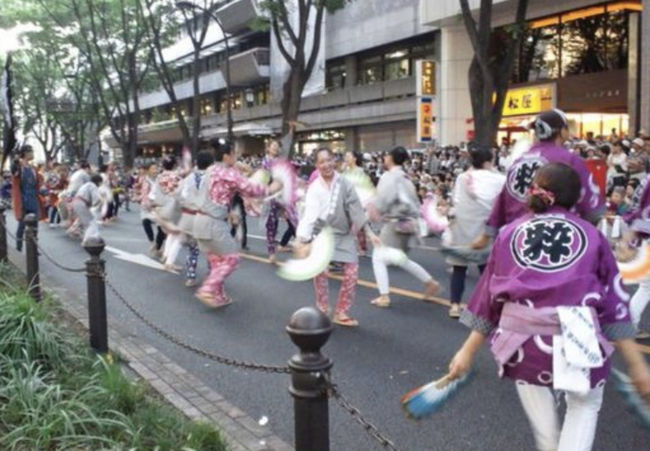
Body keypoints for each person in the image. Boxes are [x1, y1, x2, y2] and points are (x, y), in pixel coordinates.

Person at [448, 163, 650, 451]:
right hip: (578, 335)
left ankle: (548, 442)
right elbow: (613, 301)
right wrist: (637, 365)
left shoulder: (509, 233)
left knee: (546, 429)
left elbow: (488, 298)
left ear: (534, 192)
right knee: (584, 404)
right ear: (575, 199)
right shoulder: (592, 235)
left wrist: (466, 352)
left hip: (524, 342)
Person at [473, 109, 605, 249]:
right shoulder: (569, 159)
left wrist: (488, 233)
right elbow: (592, 207)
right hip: (558, 239)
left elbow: (502, 201)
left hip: (518, 240)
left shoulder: (519, 161)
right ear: (562, 131)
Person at [193, 141, 282, 308]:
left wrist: (229, 213)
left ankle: (219, 296)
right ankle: (207, 290)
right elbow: (252, 189)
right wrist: (273, 187)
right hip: (213, 223)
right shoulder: (228, 173)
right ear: (227, 156)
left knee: (217, 262)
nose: (237, 157)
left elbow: (216, 195)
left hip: (199, 221)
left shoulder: (210, 170)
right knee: (231, 259)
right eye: (235, 154)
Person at [295, 148, 368, 327]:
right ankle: (322, 307)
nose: (326, 165)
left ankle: (342, 311)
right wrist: (302, 238)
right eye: (321, 162)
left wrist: (368, 232)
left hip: (343, 234)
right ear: (316, 165)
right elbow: (310, 216)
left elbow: (356, 208)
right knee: (319, 272)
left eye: (329, 160)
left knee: (352, 272)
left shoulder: (345, 183)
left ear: (334, 160)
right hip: (322, 234)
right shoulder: (314, 188)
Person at [367, 146, 440, 309]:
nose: (384, 159)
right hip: (408, 223)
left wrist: (373, 212)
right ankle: (430, 282)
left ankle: (384, 295)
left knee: (378, 257)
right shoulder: (406, 177)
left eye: (387, 156)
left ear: (391, 158)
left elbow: (383, 200)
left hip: (395, 222)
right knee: (399, 258)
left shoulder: (390, 177)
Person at [445, 146, 505, 318]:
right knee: (486, 270)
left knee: (459, 268)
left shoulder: (462, 178)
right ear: (489, 161)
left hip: (461, 227)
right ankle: (488, 307)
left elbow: (456, 201)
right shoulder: (499, 179)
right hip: (484, 229)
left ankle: (455, 306)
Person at [178, 151, 214, 287]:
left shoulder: (188, 178)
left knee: (193, 249)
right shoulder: (212, 178)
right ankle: (210, 277)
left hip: (190, 218)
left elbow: (181, 197)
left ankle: (191, 277)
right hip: (206, 218)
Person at [150, 156, 182, 271]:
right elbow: (181, 194)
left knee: (172, 233)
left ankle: (166, 255)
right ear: (174, 165)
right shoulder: (177, 177)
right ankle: (169, 262)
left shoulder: (159, 177)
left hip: (161, 209)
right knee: (179, 235)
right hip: (174, 209)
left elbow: (153, 194)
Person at [11, 145, 42, 252]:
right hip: (23, 198)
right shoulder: (20, 166)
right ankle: (18, 247)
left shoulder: (33, 168)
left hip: (33, 197)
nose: (32, 153)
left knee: (35, 224)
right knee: (22, 224)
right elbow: (14, 171)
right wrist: (15, 160)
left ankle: (34, 248)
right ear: (25, 153)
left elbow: (36, 183)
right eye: (30, 151)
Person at [134, 163, 166, 258]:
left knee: (161, 229)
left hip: (158, 206)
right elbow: (139, 190)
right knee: (145, 221)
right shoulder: (144, 180)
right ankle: (152, 242)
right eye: (153, 168)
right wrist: (137, 196)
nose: (155, 170)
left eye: (156, 168)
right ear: (148, 170)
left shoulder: (160, 179)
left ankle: (157, 247)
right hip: (147, 205)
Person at [70, 174, 103, 242]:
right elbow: (96, 199)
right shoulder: (93, 186)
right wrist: (101, 201)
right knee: (90, 222)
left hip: (76, 202)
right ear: (98, 181)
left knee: (84, 219)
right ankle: (89, 239)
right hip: (81, 203)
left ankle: (75, 229)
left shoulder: (87, 184)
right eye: (100, 182)